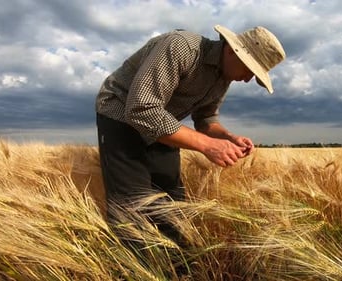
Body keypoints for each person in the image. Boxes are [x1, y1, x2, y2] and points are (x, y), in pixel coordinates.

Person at [95, 24, 285, 238]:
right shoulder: (181, 47)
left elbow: (206, 119)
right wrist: (208, 145)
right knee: (131, 206)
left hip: (163, 122)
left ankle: (175, 265)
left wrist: (228, 137)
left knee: (173, 202)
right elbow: (142, 109)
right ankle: (133, 266)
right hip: (120, 112)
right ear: (233, 51)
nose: (249, 79)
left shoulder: (224, 77)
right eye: (250, 70)